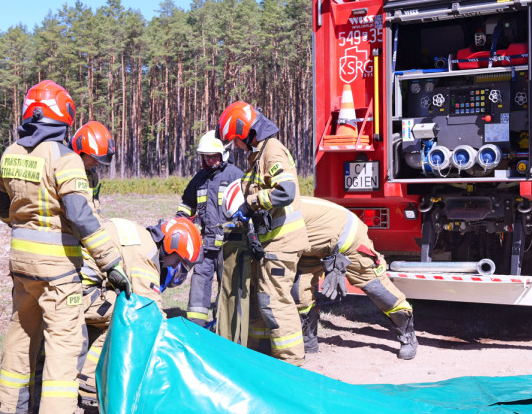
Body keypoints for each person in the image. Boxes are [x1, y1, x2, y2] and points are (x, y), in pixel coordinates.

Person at [0, 80, 132, 414]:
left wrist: (27, 226)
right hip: (58, 269)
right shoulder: (65, 157)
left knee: (22, 330)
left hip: (20, 263)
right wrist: (111, 262)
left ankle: (10, 405)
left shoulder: (11, 153)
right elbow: (81, 215)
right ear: (63, 114)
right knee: (65, 340)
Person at [218, 100, 309, 366]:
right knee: (261, 301)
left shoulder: (272, 151)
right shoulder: (258, 154)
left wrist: (250, 203)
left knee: (275, 301)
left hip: (283, 243)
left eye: (236, 140)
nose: (235, 146)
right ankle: (260, 354)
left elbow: (285, 191)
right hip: (270, 244)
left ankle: (291, 364)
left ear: (247, 131)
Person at [76, 217, 202, 405]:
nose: (174, 268)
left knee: (115, 307)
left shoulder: (143, 239)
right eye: (178, 261)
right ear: (172, 246)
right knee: (126, 315)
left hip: (74, 282)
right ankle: (88, 380)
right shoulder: (146, 256)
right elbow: (150, 311)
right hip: (77, 290)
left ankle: (82, 375)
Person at [294, 196, 418, 359]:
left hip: (349, 240)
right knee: (299, 292)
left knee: (378, 289)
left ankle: (408, 338)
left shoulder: (282, 208)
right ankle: (309, 341)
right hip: (312, 247)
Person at [176, 130, 243, 327]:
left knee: (228, 287)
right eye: (207, 157)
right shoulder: (199, 178)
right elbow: (187, 204)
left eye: (214, 156)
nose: (211, 161)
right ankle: (196, 326)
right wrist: (180, 221)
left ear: (223, 155)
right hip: (206, 245)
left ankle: (224, 327)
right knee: (199, 283)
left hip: (230, 245)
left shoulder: (235, 175)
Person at [71, 120, 115, 215]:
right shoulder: (62, 169)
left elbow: (95, 205)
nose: (97, 162)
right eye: (94, 157)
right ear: (79, 149)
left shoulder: (92, 175)